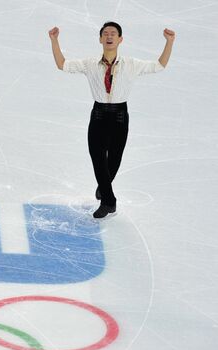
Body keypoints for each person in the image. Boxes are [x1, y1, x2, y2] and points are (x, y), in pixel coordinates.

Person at [48, 22, 175, 218]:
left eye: (113, 34)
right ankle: (109, 201)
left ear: (120, 39)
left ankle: (103, 187)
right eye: (105, 33)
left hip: (119, 116)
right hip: (98, 114)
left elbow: (159, 65)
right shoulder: (90, 63)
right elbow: (62, 64)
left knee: (114, 159)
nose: (109, 36)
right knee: (97, 157)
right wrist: (54, 40)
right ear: (100, 39)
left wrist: (170, 42)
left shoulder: (131, 64)